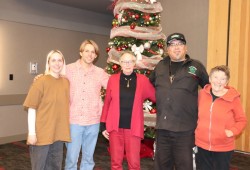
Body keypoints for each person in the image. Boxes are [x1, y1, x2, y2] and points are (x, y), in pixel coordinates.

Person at [149, 33, 209, 170]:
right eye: (172, 44)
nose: (176, 48)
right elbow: (147, 86)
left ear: (186, 48)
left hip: (185, 131)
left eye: (180, 44)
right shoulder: (160, 66)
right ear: (167, 49)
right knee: (161, 167)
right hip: (162, 129)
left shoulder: (196, 66)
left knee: (185, 167)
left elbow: (209, 89)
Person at [100, 51, 156, 170]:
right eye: (124, 61)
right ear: (120, 63)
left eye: (130, 61)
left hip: (133, 128)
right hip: (115, 128)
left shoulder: (143, 80)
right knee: (115, 163)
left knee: (134, 164)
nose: (127, 64)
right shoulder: (113, 79)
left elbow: (156, 96)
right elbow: (107, 103)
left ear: (134, 63)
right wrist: (103, 125)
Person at [65, 40, 109, 170]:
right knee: (71, 158)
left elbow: (115, 86)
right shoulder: (68, 69)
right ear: (81, 52)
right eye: (87, 51)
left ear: (96, 56)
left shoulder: (100, 72)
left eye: (93, 52)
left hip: (93, 121)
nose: (90, 54)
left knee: (88, 159)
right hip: (74, 121)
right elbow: (53, 78)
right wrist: (40, 77)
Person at [23, 50, 71, 170]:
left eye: (60, 60)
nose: (57, 63)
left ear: (63, 63)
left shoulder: (66, 82)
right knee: (39, 167)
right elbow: (31, 108)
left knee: (55, 167)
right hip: (41, 135)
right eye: (53, 60)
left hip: (58, 135)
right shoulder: (40, 81)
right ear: (48, 63)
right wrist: (32, 133)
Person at [195, 65, 247, 170]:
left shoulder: (233, 98)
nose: (218, 81)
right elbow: (194, 114)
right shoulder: (201, 94)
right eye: (216, 77)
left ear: (227, 82)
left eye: (223, 79)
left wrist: (232, 131)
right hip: (201, 145)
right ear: (210, 79)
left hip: (223, 147)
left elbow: (242, 120)